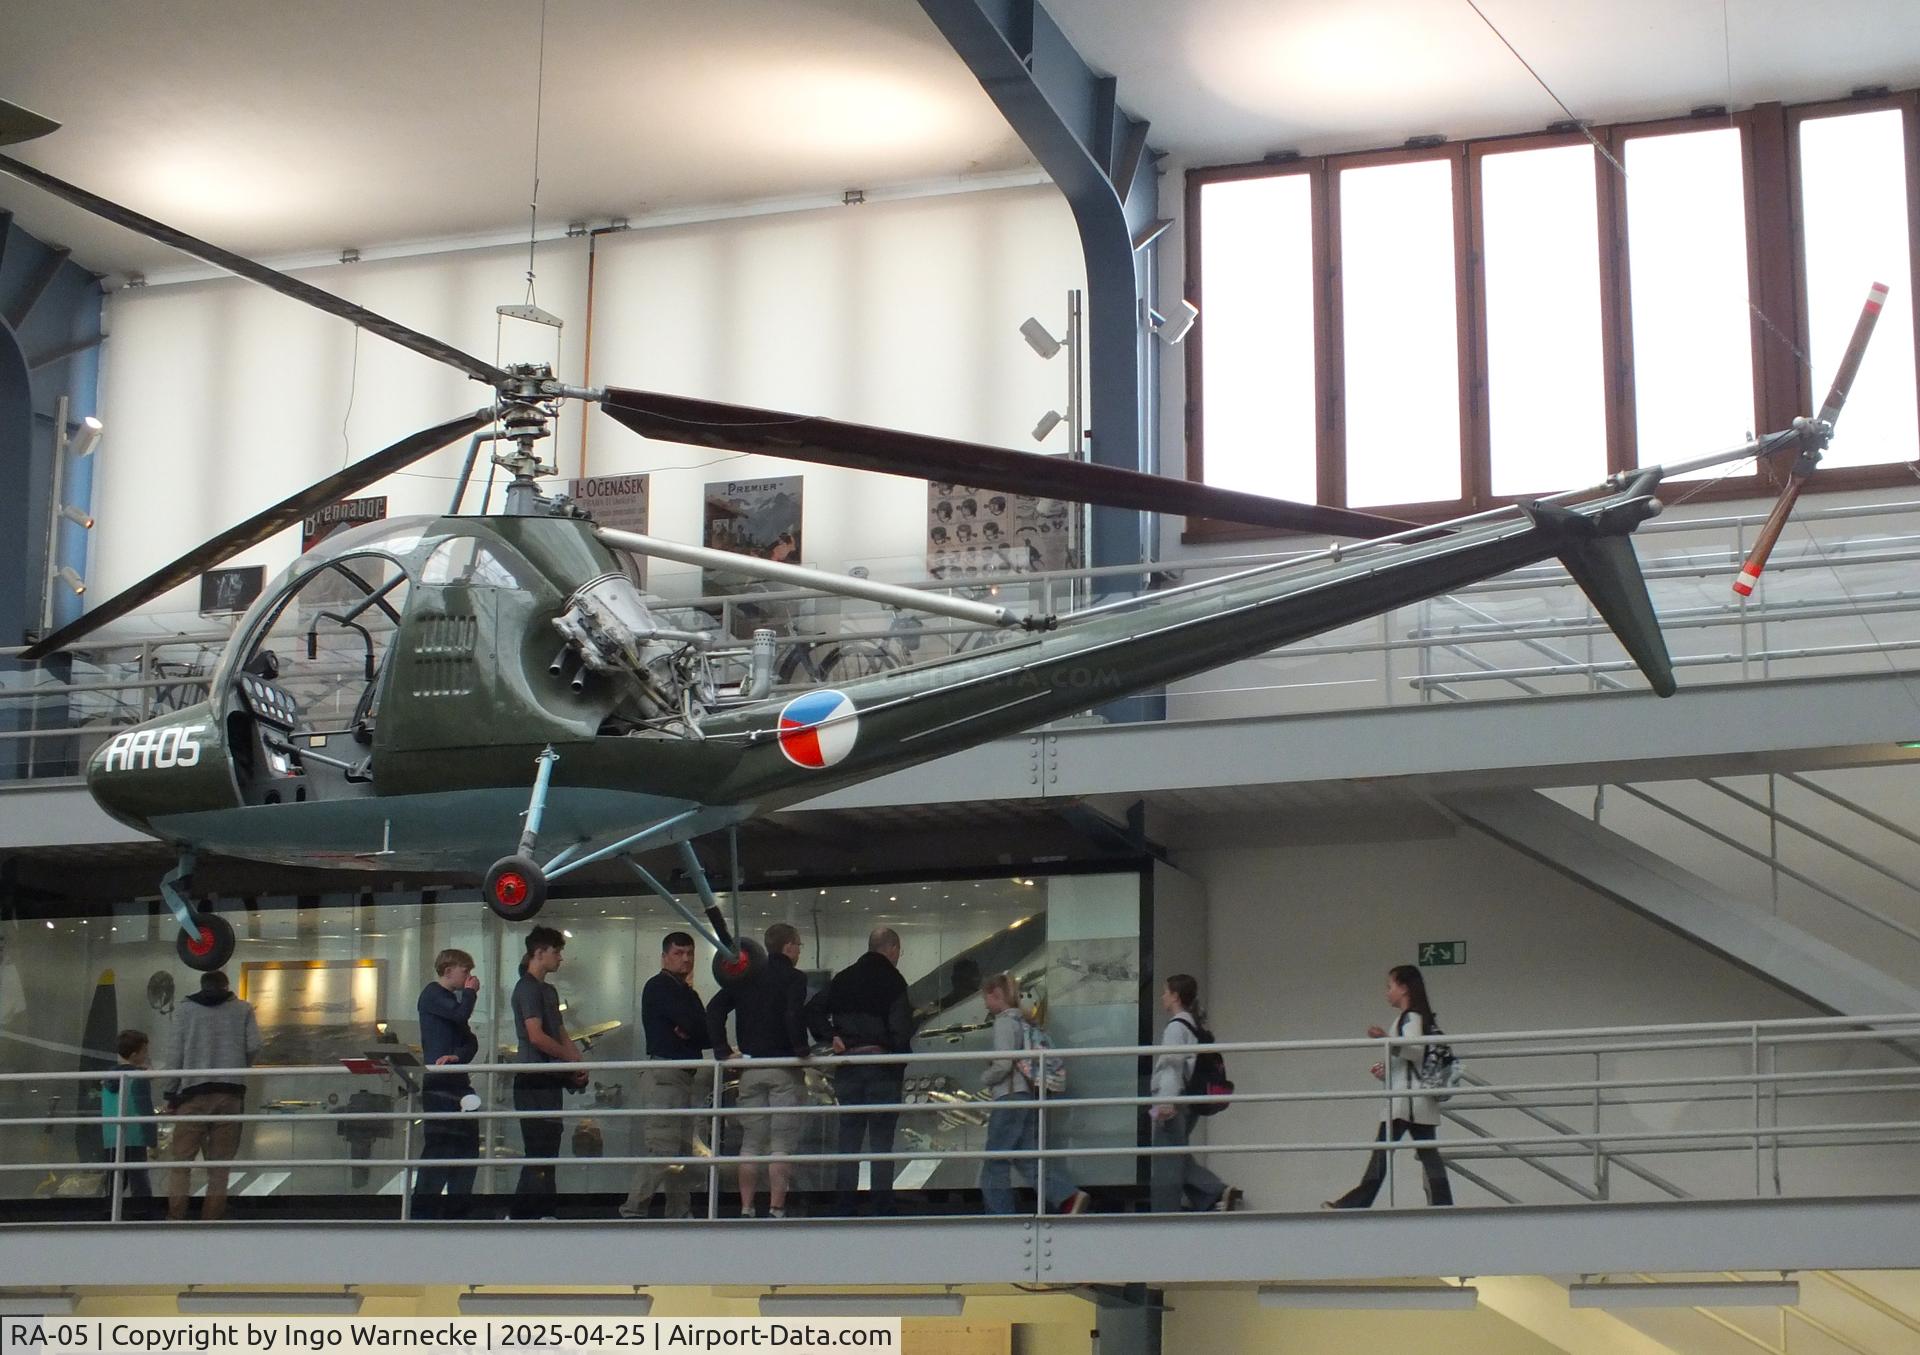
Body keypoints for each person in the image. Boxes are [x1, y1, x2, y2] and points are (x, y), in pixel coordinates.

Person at [1325, 964, 1454, 1209]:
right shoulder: (1417, 1017)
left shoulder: (1411, 1017)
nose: (1387, 992)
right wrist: (1387, 1072)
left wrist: (1384, 1039)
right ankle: (1443, 1203)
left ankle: (1355, 1203)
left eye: (1390, 986)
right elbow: (1413, 1055)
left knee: (1381, 1155)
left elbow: (1415, 1049)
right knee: (1428, 1156)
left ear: (1404, 988)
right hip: (1418, 1102)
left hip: (1404, 1103)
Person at [706, 922, 809, 1219]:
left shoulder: (746, 976)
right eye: (799, 945)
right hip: (783, 1069)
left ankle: (746, 1206)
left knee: (751, 1143)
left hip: (749, 1068)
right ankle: (776, 1207)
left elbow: (714, 1011)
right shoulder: (794, 978)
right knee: (780, 1145)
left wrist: (722, 1050)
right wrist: (801, 1048)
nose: (799, 951)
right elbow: (793, 1014)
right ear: (788, 946)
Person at [812, 926, 913, 1216]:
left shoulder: (843, 979)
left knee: (849, 1137)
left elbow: (812, 1010)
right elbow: (900, 1030)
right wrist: (898, 1065)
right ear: (892, 948)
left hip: (849, 1067)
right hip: (882, 1069)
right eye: (899, 951)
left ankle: (845, 1202)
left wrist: (830, 1035)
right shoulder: (894, 981)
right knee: (882, 1139)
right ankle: (882, 1203)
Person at [978, 974, 1090, 1216]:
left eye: (986, 998)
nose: (985, 1005)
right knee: (1027, 1159)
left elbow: (1003, 1065)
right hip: (1027, 1096)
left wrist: (984, 1078)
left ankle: (1000, 1216)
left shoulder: (1004, 1023)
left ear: (996, 995)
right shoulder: (1025, 1022)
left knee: (994, 1163)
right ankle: (1068, 1197)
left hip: (1008, 1098)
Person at [621, 931, 710, 1220]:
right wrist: (692, 1030)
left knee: (681, 1151)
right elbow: (697, 1027)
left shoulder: (686, 991)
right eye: (678, 953)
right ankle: (633, 1209)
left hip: (682, 1075)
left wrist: (691, 1032)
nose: (685, 959)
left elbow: (702, 1031)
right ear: (664, 956)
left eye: (689, 953)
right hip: (667, 1074)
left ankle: (679, 1211)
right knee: (663, 1148)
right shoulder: (659, 986)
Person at [161, 970, 262, 1222]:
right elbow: (254, 1045)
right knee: (219, 1168)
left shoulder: (185, 1011)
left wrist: (170, 1093)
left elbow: (174, 1055)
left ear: (202, 985)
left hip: (192, 1096)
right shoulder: (243, 1009)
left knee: (181, 1164)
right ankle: (211, 1220)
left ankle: (176, 1218)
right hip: (229, 1094)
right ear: (226, 986)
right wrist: (240, 1066)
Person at [509, 925, 586, 1219]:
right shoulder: (527, 988)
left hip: (548, 1079)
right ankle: (526, 1212)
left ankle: (539, 1211)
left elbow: (560, 1031)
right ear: (539, 953)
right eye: (556, 952)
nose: (560, 959)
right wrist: (570, 1059)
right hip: (534, 1081)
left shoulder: (548, 991)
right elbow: (536, 1036)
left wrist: (575, 1063)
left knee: (547, 1149)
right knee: (539, 1150)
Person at [1149, 974, 1240, 1213]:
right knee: (1176, 1154)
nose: (1162, 997)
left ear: (1176, 996)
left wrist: (1164, 1103)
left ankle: (1166, 1212)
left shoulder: (1177, 1027)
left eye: (1165, 992)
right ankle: (1215, 1193)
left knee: (1166, 1159)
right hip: (1189, 1100)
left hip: (1173, 1100)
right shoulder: (1195, 1025)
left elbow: (1172, 1065)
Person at [412, 947, 481, 1219]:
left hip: (457, 1081)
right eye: (465, 972)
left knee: (466, 1146)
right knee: (439, 1146)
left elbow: (470, 1040)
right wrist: (471, 992)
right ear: (449, 969)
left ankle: (458, 1207)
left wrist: (458, 1056)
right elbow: (460, 1016)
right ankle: (425, 1210)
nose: (469, 978)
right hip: (440, 1084)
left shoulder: (449, 1002)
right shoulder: (432, 995)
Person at [102, 1028, 156, 1214]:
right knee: (138, 1177)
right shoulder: (139, 1077)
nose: (147, 1055)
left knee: (115, 1178)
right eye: (145, 1051)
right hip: (135, 1134)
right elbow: (144, 1107)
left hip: (111, 1135)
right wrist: (152, 1138)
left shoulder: (108, 1078)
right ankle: (144, 1212)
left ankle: (109, 1211)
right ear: (135, 1055)